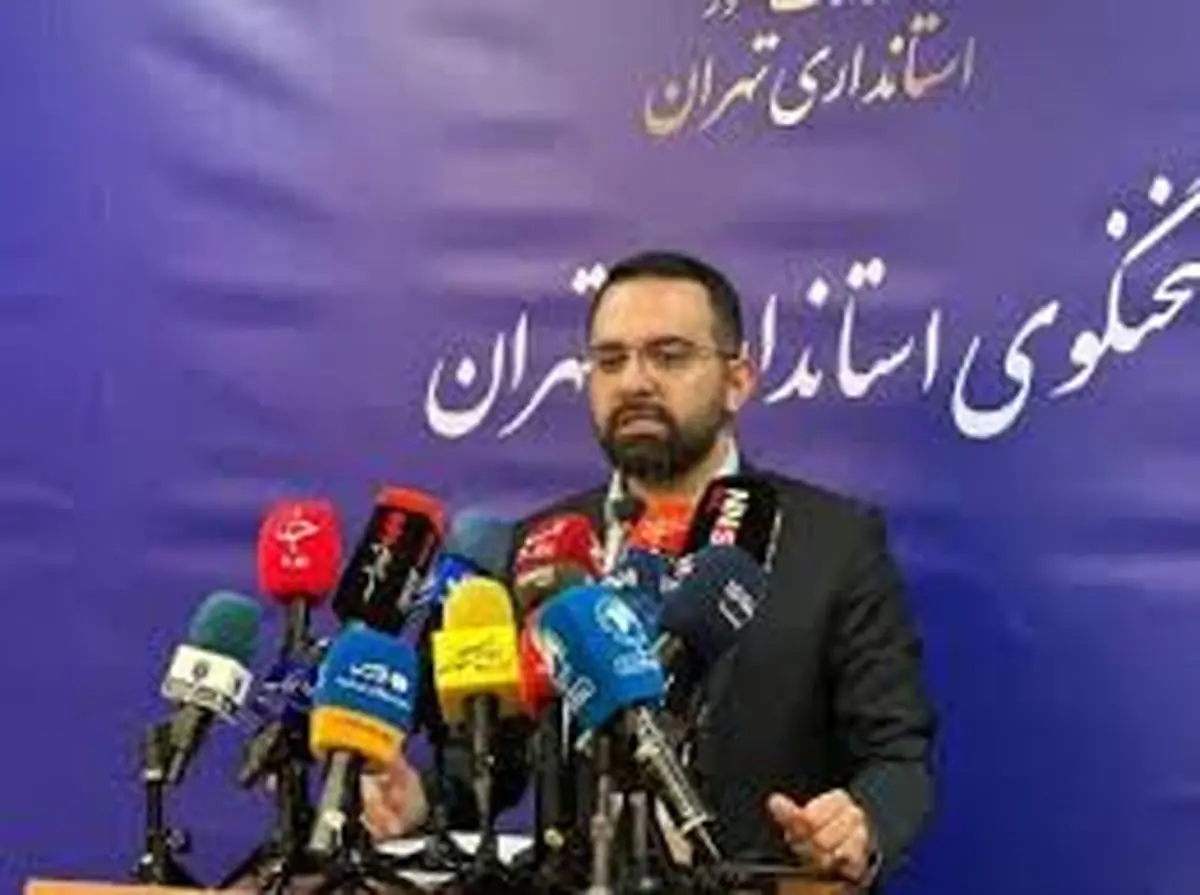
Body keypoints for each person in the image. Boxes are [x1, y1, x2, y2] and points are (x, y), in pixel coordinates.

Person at [364, 250, 938, 889]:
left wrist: (860, 824)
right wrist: (424, 805)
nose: (635, 381)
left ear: (738, 380)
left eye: (669, 356)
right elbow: (496, 769)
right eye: (611, 360)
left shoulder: (831, 542)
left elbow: (897, 758)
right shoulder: (539, 550)